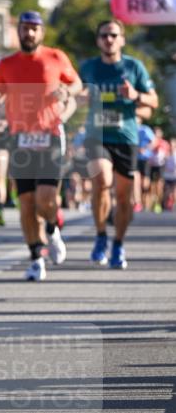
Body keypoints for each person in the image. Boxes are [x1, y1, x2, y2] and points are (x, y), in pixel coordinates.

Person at [0, 11, 81, 281]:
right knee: (27, 204)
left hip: (50, 134)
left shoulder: (56, 57)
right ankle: (35, 258)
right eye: (24, 28)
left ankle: (53, 229)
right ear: (17, 31)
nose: (29, 33)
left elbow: (76, 83)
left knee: (46, 199)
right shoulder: (6, 64)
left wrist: (68, 92)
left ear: (41, 33)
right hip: (20, 139)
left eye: (34, 29)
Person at [79, 18, 158, 269]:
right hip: (97, 135)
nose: (109, 39)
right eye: (104, 35)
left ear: (122, 39)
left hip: (126, 137)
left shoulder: (134, 67)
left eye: (114, 35)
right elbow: (76, 96)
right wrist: (80, 97)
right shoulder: (88, 67)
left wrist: (136, 95)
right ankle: (101, 235)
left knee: (124, 198)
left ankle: (118, 243)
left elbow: (153, 102)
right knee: (102, 180)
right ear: (97, 40)